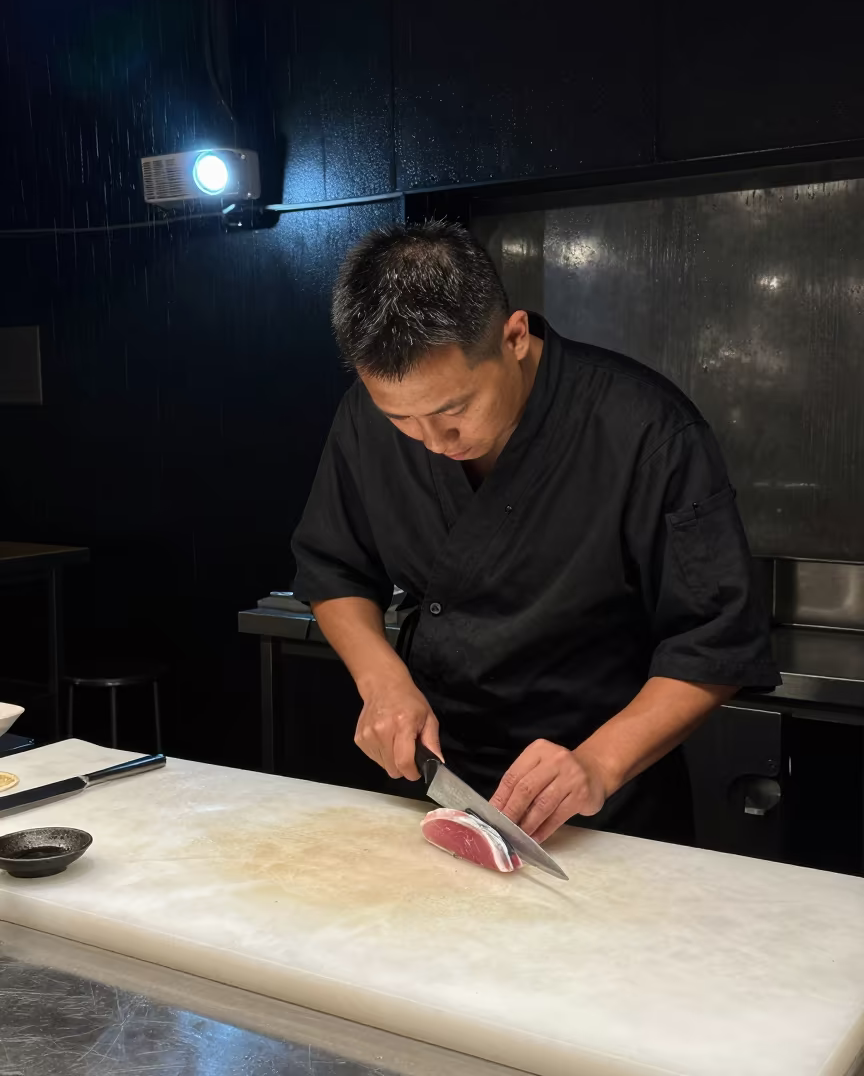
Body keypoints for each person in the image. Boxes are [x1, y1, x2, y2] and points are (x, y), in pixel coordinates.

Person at [291, 220, 779, 845]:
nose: (433, 443)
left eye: (453, 410)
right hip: (436, 782)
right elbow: (332, 567)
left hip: (598, 801)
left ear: (514, 337)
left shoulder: (646, 432)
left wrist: (598, 763)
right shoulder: (365, 415)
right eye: (401, 419)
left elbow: (715, 642)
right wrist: (381, 680)